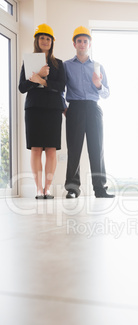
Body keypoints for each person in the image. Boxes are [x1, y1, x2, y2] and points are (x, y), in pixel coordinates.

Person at [63, 26, 114, 198]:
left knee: (97, 148)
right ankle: (72, 189)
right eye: (79, 41)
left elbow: (107, 93)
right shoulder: (66, 66)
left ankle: (100, 189)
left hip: (93, 108)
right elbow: (60, 90)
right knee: (74, 149)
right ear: (74, 43)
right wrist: (65, 108)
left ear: (89, 44)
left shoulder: (98, 67)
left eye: (85, 41)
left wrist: (98, 84)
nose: (82, 44)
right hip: (75, 108)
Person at [19, 23, 66, 199]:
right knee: (36, 149)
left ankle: (48, 188)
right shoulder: (29, 61)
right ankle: (39, 189)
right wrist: (36, 76)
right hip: (34, 108)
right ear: (37, 41)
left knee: (52, 149)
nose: (45, 41)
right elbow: (22, 87)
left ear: (51, 42)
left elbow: (61, 86)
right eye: (42, 38)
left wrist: (43, 81)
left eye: (48, 38)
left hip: (53, 109)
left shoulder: (58, 64)